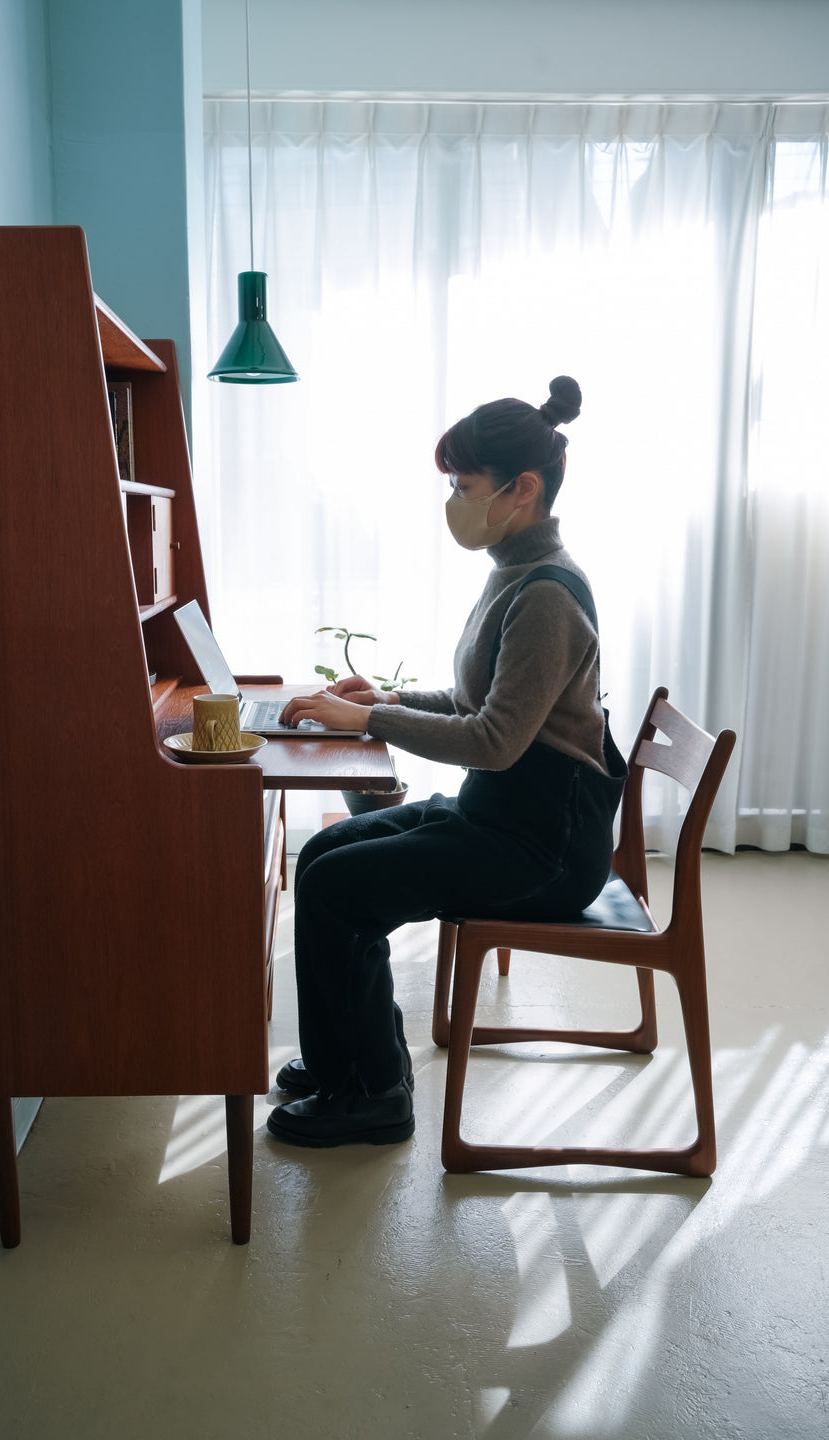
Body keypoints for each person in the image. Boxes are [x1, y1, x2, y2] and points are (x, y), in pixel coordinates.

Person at [267, 376, 626, 1149]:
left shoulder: (548, 596)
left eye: (464, 485)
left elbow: (494, 739)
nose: (454, 501)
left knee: (335, 888)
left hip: (543, 851)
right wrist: (387, 697)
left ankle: (370, 1096)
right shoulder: (514, 572)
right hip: (498, 818)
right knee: (326, 853)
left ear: (521, 489)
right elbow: (478, 700)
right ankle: (346, 1059)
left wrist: (370, 719)